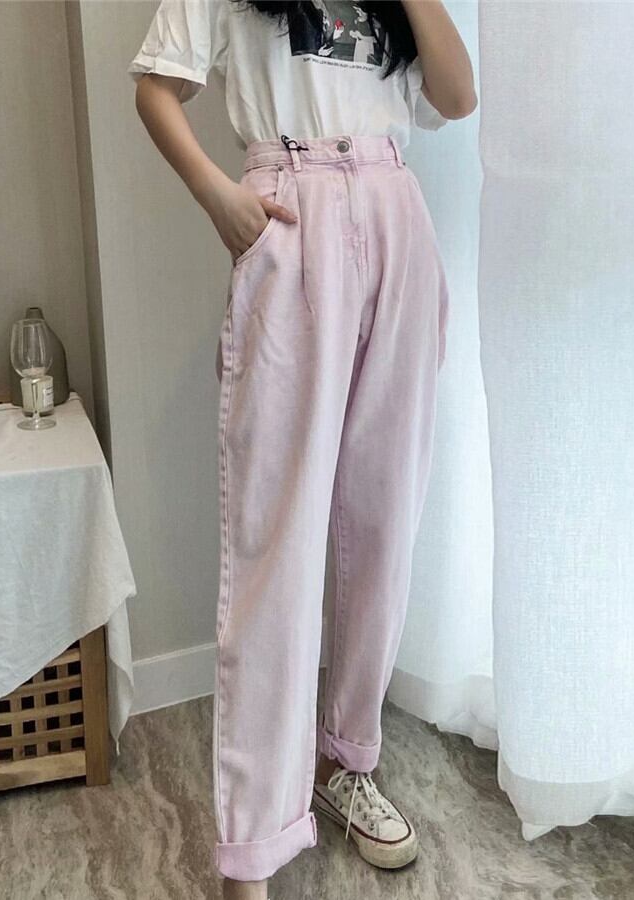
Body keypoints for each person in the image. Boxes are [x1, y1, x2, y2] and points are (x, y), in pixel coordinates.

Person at [130, 2, 476, 897]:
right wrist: (217, 194)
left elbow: (458, 96)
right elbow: (157, 89)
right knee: (275, 543)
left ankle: (347, 763)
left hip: (397, 213)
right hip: (291, 208)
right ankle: (254, 839)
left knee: (384, 522)